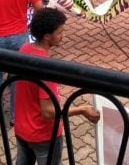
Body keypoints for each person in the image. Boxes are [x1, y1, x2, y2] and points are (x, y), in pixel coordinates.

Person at [14, 9, 100, 164]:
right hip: (43, 135)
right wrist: (81, 109)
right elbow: (48, 112)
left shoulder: (24, 49)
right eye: (60, 32)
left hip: (22, 129)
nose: (63, 36)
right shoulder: (47, 68)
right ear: (47, 36)